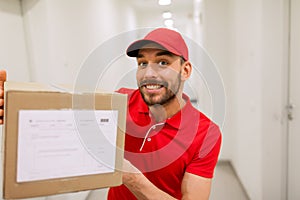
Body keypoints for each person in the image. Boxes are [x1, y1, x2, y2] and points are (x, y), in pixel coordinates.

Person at [0, 28, 222, 200]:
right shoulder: (120, 102)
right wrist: (11, 105)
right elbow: (65, 116)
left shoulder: (206, 134)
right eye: (142, 63)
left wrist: (130, 177)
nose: (149, 73)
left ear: (185, 70)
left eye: (163, 62)